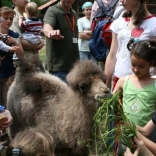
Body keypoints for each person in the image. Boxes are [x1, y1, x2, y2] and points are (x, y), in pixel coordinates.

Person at [113, 39, 156, 155]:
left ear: (151, 63)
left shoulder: (155, 85)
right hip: (125, 135)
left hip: (147, 138)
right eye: (133, 64)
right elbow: (112, 103)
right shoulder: (123, 82)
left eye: (141, 66)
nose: (136, 69)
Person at [105, 0, 156, 90]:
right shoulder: (118, 22)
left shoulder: (153, 24)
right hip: (119, 80)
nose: (121, 0)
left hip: (143, 85)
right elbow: (112, 55)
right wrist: (105, 83)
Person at [43, 0, 79, 82]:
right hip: (59, 68)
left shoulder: (74, 13)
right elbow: (47, 26)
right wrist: (50, 32)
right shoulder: (52, 11)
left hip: (74, 65)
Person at [11, 0, 45, 72]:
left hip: (33, 61)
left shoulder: (26, 17)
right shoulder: (13, 18)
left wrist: (41, 41)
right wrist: (36, 45)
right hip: (24, 63)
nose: (26, 0)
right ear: (15, 1)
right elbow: (17, 41)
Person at [0, 7, 24, 107]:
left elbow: (21, 55)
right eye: (6, 18)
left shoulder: (14, 34)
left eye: (11, 18)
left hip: (8, 74)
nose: (9, 21)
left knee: (7, 105)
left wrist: (14, 43)